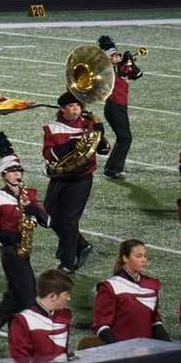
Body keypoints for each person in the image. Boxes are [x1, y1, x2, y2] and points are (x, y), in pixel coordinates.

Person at [0, 132, 51, 357]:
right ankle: (29, 343)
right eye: (13, 171)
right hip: (10, 252)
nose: (17, 174)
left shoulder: (29, 194)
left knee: (13, 300)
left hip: (25, 251)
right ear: (4, 174)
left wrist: (36, 211)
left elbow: (49, 222)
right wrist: (8, 236)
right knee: (28, 298)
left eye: (19, 171)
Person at [42, 91, 108, 274]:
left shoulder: (89, 125)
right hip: (59, 177)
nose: (75, 109)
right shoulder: (52, 128)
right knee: (50, 217)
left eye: (78, 106)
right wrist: (68, 146)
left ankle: (67, 262)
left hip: (81, 179)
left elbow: (104, 149)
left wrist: (100, 136)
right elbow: (49, 154)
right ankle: (82, 245)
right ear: (62, 109)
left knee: (70, 221)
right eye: (71, 106)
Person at [92, 239, 170, 344]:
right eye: (138, 256)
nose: (143, 260)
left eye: (145, 256)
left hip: (147, 349)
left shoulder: (151, 285)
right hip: (121, 350)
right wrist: (116, 348)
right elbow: (101, 325)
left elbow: (155, 321)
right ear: (125, 258)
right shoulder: (110, 287)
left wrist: (168, 345)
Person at [7, 269, 74, 363]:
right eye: (66, 294)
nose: (69, 298)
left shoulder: (65, 314)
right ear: (52, 296)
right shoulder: (23, 320)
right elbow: (21, 360)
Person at [99, 35, 143, 180]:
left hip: (120, 107)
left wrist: (129, 61)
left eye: (118, 54)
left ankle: (112, 169)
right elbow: (113, 73)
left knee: (124, 138)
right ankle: (112, 169)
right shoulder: (106, 71)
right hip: (113, 108)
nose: (117, 56)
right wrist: (124, 62)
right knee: (125, 138)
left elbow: (137, 74)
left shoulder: (121, 68)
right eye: (114, 55)